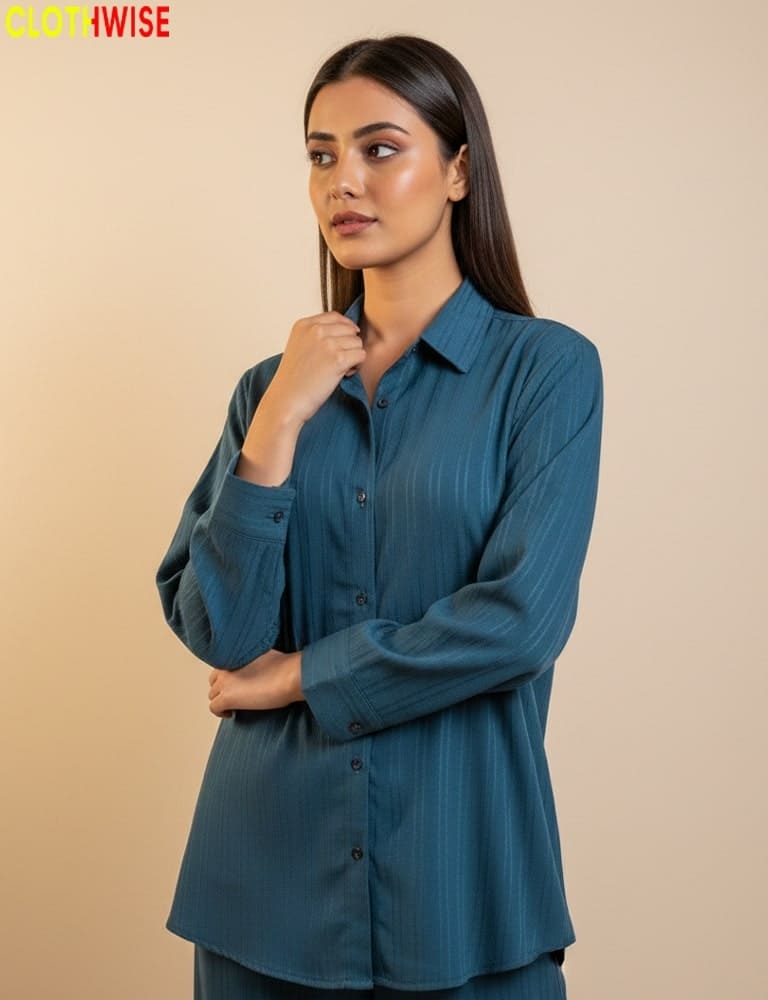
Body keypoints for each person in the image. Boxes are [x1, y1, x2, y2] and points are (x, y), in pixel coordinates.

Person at [156, 33, 603, 1000]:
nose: (343, 183)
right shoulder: (267, 391)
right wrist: (278, 424)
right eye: (322, 157)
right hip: (261, 895)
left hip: (466, 887)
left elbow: (520, 620)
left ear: (458, 172)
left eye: (380, 149)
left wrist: (304, 675)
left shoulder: (546, 373)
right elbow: (222, 634)